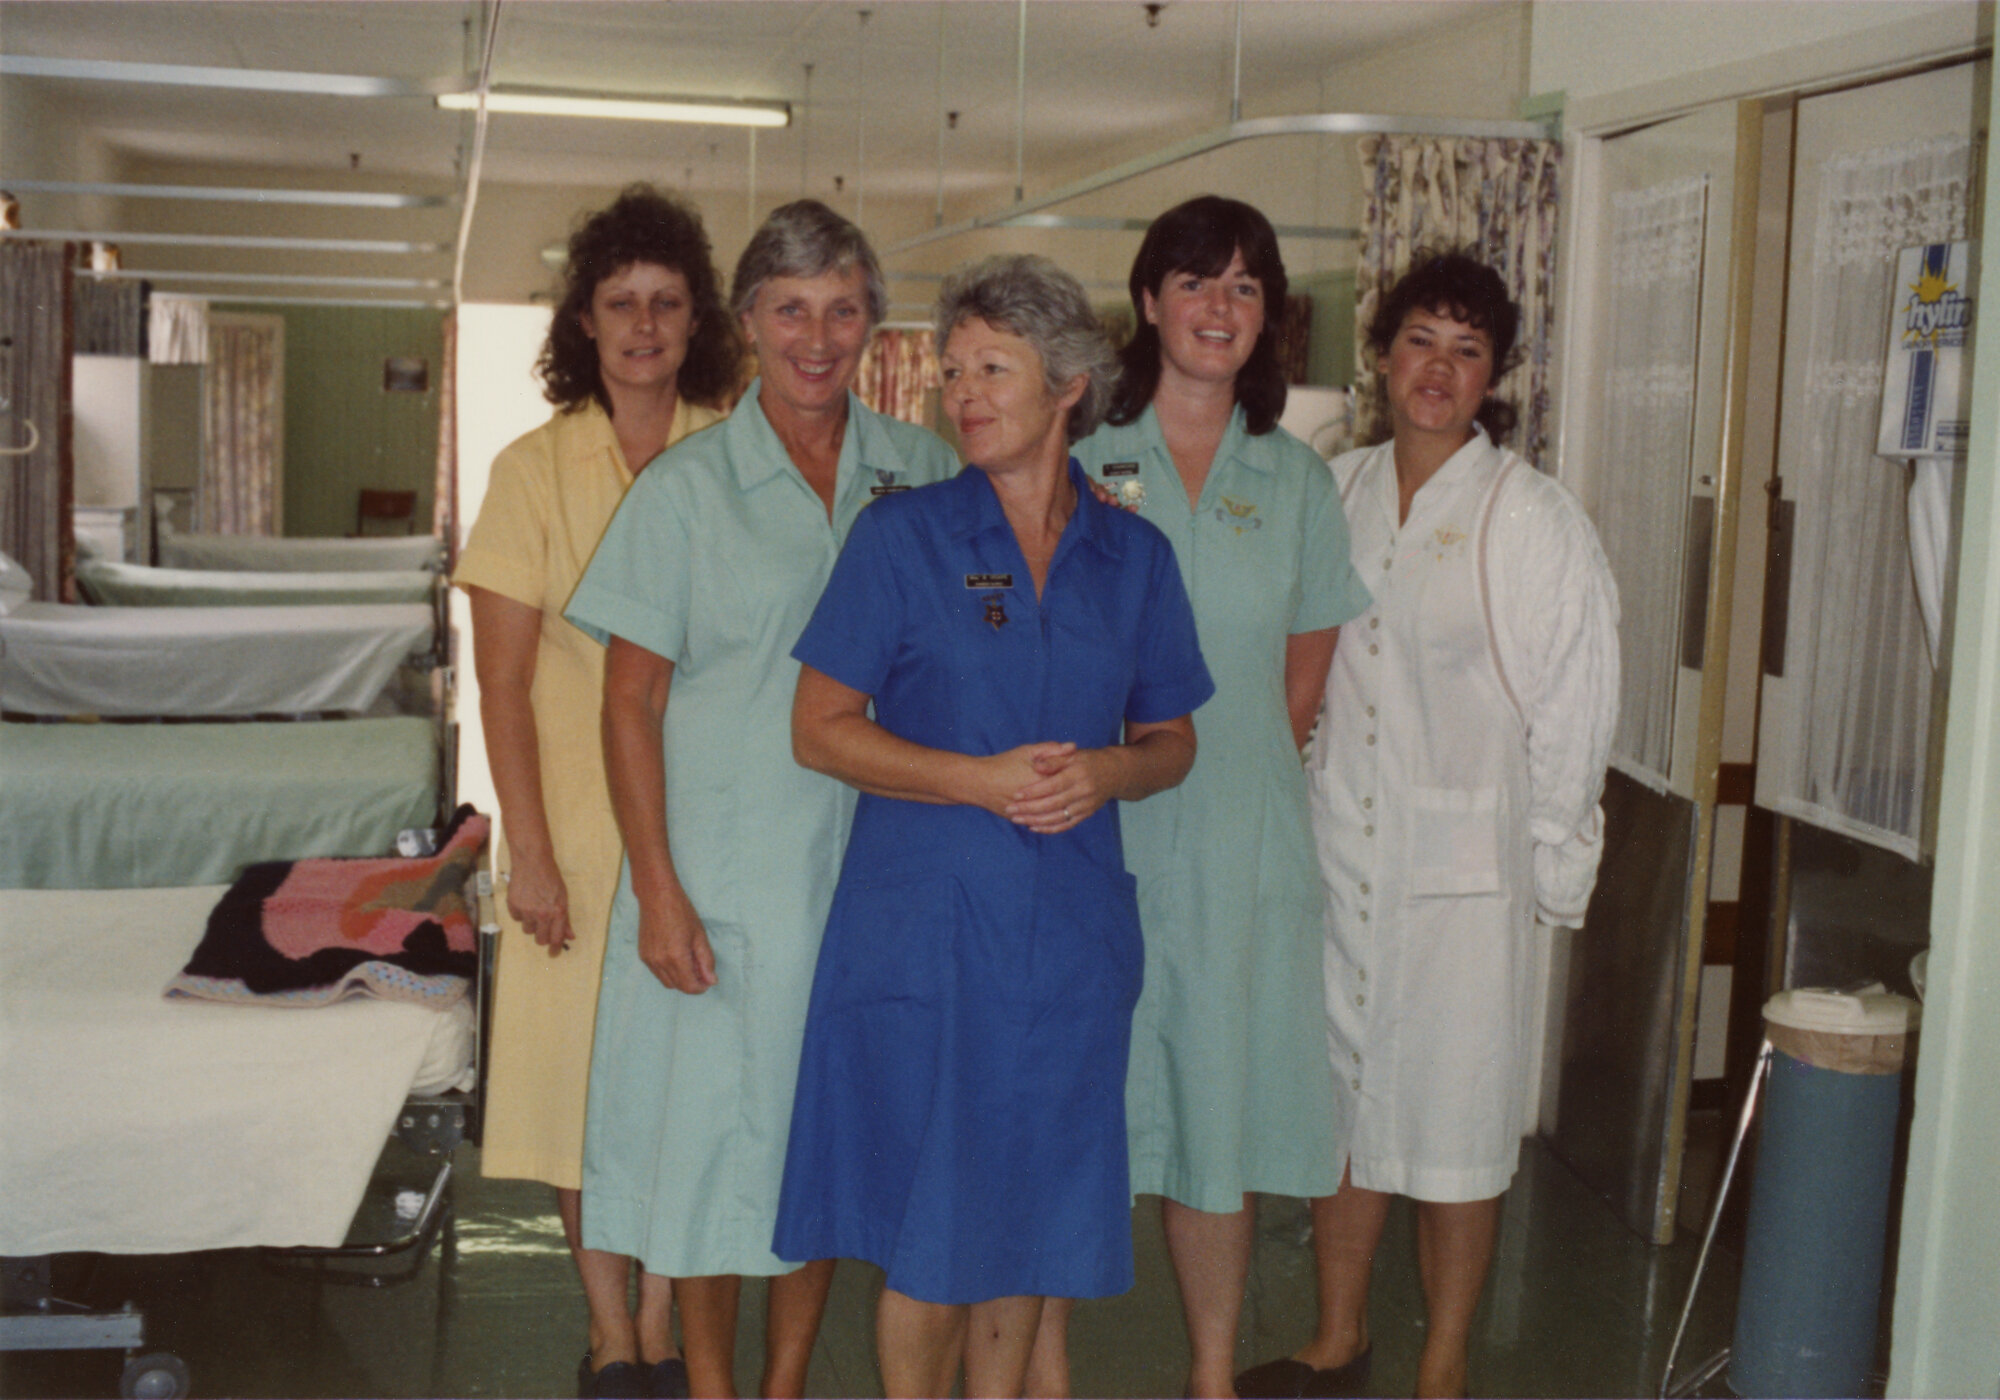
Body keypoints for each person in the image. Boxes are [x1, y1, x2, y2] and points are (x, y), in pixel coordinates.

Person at [771, 253, 1216, 1400]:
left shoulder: (1133, 556)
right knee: (930, 1234)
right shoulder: (903, 538)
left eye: (992, 368)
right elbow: (820, 729)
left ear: (1068, 384)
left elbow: (1172, 739)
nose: (962, 393)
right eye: (953, 369)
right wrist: (973, 779)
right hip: (922, 933)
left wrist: (1108, 772)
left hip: (1066, 943)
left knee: (1030, 1229)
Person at [562, 199, 959, 1400]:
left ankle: (783, 1384)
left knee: (817, 1151)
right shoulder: (685, 491)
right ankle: (715, 1388)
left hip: (872, 881)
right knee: (709, 1161)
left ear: (870, 324)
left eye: (843, 309)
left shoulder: (921, 469)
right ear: (746, 322)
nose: (818, 336)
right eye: (790, 309)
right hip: (725, 886)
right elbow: (626, 704)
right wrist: (659, 890)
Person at [1235, 251, 1618, 1400]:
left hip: (1463, 874)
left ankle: (1441, 1361)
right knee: (1341, 1109)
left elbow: (1573, 705)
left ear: (1491, 372)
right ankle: (1337, 1333)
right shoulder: (1333, 488)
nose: (1437, 369)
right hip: (1332, 853)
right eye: (1418, 341)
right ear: (1382, 351)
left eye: (1465, 349)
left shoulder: (1530, 517)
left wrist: (1555, 859)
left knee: (1451, 1125)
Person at [1036, 194, 1369, 1400]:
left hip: (1237, 847)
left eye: (1242, 286)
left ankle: (1212, 1376)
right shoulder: (1075, 459)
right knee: (1074, 1117)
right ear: (1146, 301)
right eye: (1194, 281)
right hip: (1083, 841)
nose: (1217, 307)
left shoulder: (1294, 484)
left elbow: (1296, 688)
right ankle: (1047, 1374)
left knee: (1211, 1130)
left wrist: (1206, 798)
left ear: (1267, 315)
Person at [453, 183, 736, 1400]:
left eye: (665, 302)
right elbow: (502, 683)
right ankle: (614, 1330)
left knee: (686, 1078)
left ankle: (670, 1321)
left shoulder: (736, 447)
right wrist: (531, 852)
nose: (641, 324)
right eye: (617, 302)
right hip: (571, 815)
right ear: (581, 320)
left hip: (708, 819)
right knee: (583, 1086)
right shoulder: (533, 468)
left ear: (695, 319)